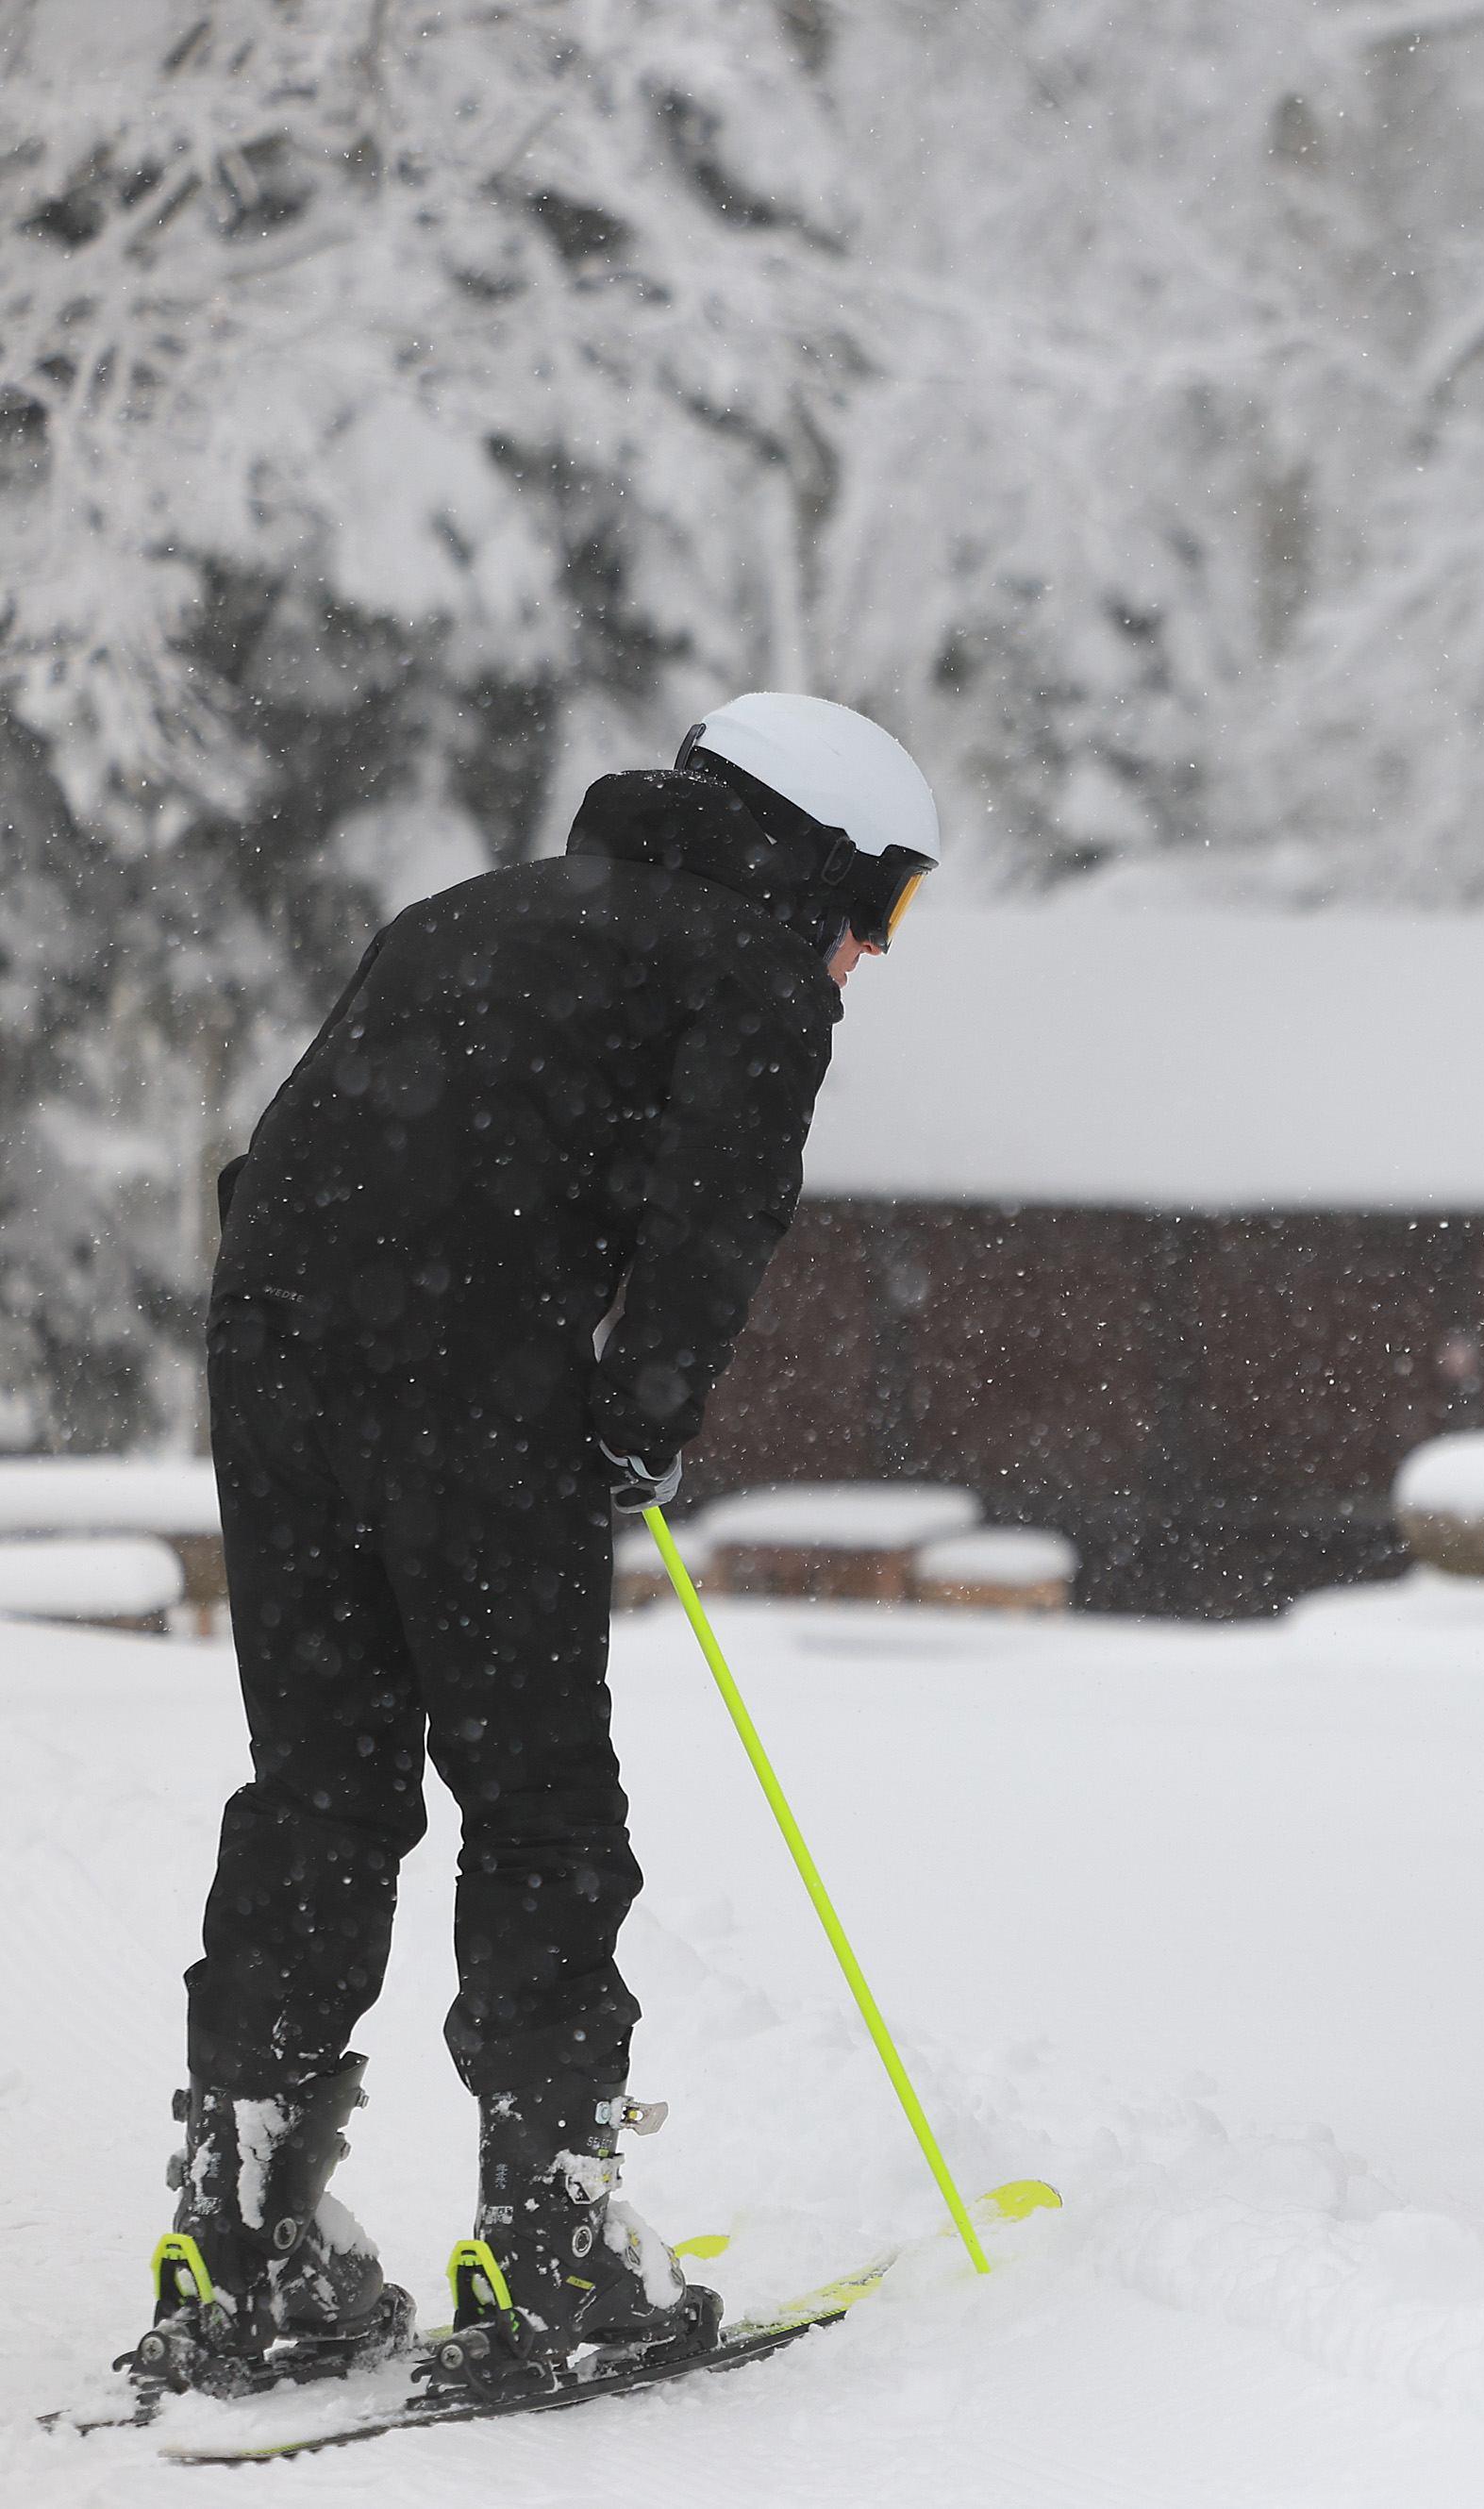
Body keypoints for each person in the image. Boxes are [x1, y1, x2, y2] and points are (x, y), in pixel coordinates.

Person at [128, 694, 938, 2399]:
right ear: (810, 851)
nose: (874, 945)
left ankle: (240, 2235)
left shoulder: (467, 911)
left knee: (323, 1783)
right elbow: (718, 1222)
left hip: (272, 1344)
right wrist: (640, 1415)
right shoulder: (758, 969)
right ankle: (549, 2245)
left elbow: (294, 1150)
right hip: (472, 1379)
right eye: (885, 896)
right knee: (539, 1799)